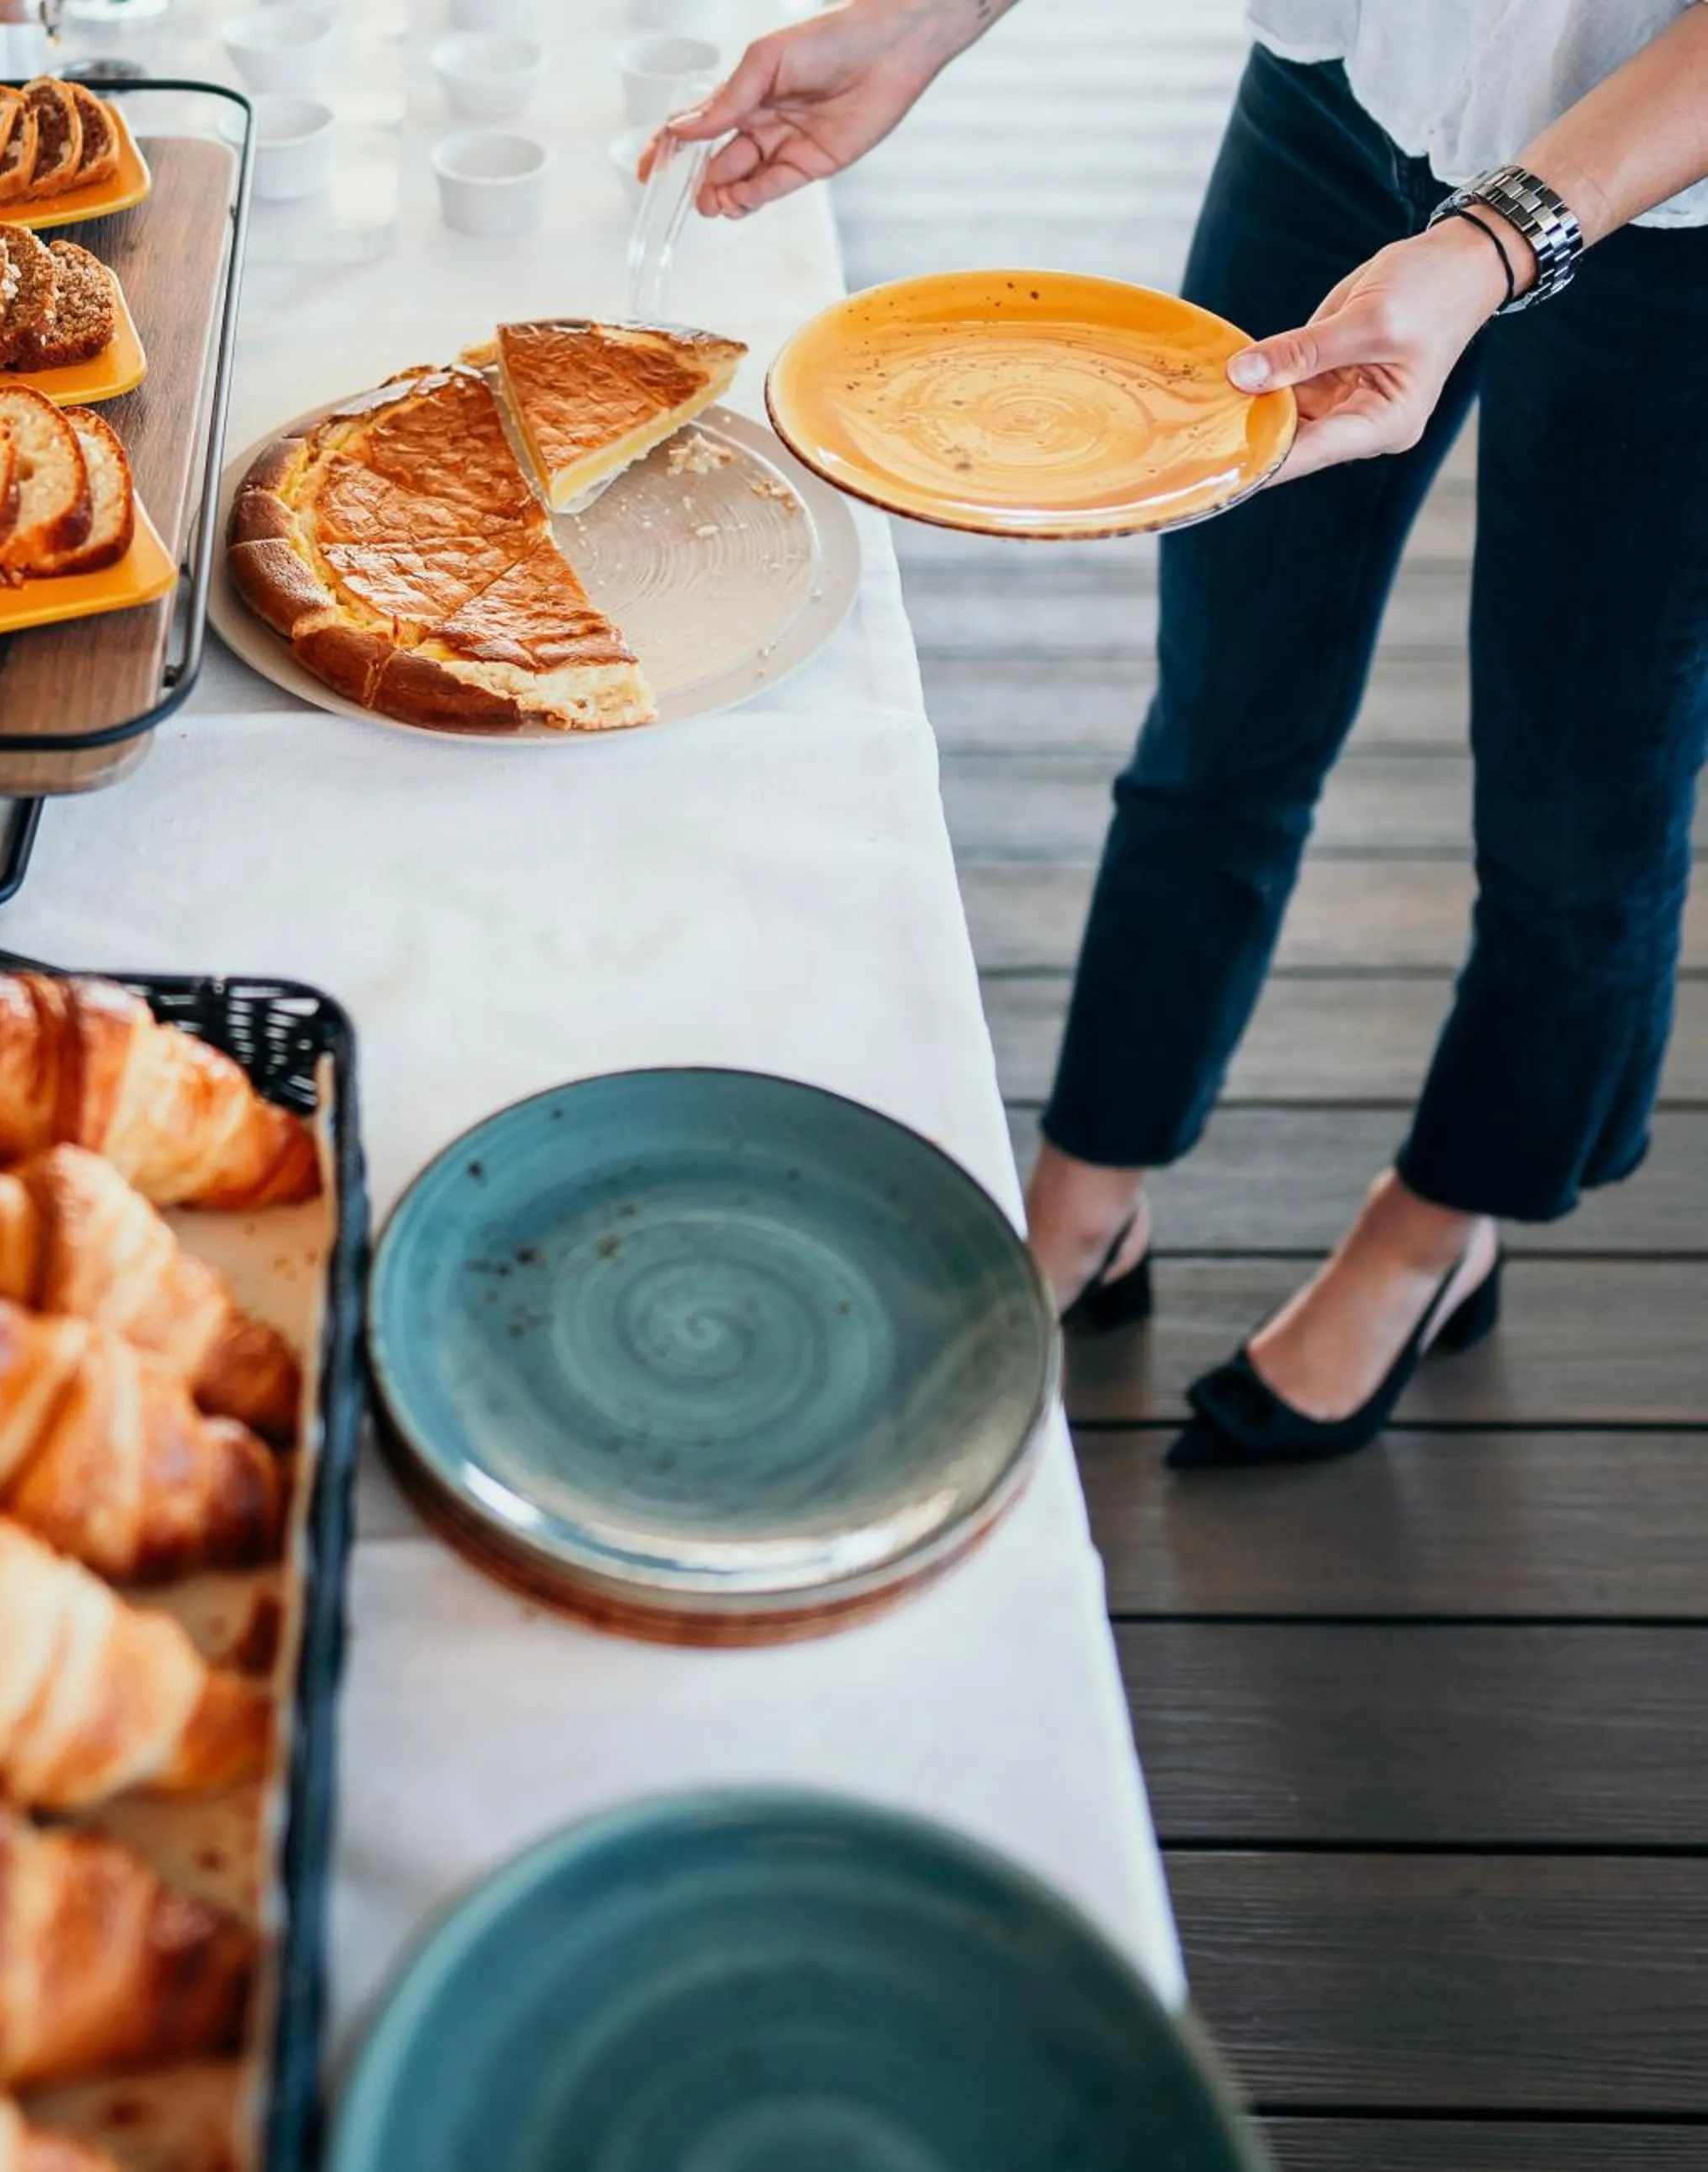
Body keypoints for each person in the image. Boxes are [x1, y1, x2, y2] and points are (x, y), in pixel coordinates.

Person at [667, 0, 1708, 1467]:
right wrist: (925, 21)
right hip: (1350, 91)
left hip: (1679, 222)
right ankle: (1089, 1188)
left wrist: (1492, 242)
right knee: (1225, 703)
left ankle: (1437, 1232)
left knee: (1581, 799)